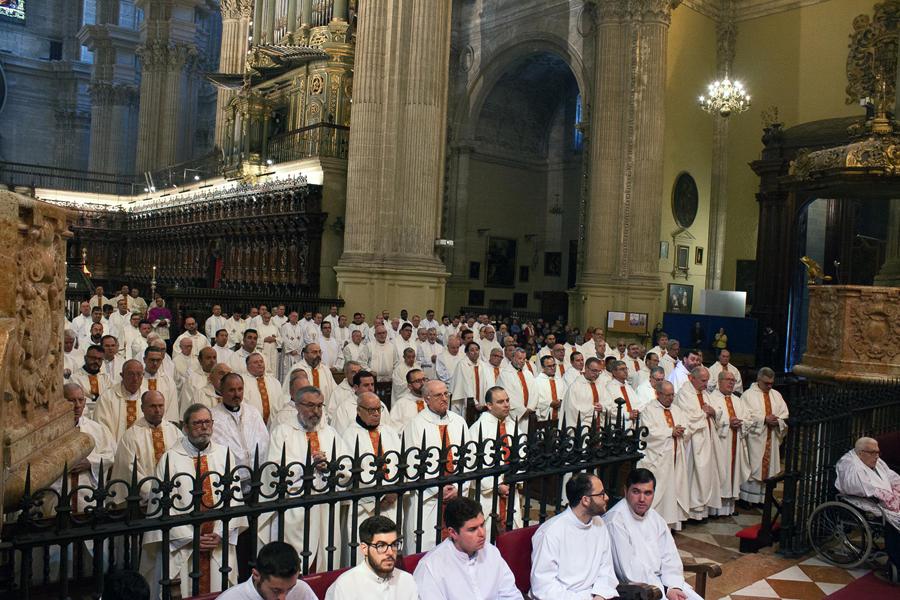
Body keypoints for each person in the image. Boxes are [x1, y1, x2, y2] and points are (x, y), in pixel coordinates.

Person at [141, 404, 247, 599]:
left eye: (207, 422)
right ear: (186, 427)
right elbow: (162, 510)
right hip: (184, 546)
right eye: (197, 423)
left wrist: (220, 534)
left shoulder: (225, 454)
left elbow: (234, 501)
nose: (203, 427)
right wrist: (193, 538)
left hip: (217, 544)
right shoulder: (169, 460)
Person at [262, 386, 349, 571]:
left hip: (325, 507)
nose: (316, 411)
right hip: (294, 508)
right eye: (310, 405)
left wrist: (330, 467)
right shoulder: (282, 433)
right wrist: (308, 465)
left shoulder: (330, 433)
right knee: (294, 564)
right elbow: (273, 471)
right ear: (297, 405)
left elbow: (347, 469)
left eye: (319, 406)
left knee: (326, 558)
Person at [604, 468, 703, 600]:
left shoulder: (654, 517)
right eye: (636, 492)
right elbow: (629, 573)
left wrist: (673, 587)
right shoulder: (615, 520)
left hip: (664, 584)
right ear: (625, 490)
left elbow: (670, 556)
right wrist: (664, 589)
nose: (642, 499)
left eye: (648, 493)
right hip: (639, 591)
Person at [401, 380, 470, 552]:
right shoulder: (416, 425)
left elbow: (469, 457)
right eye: (439, 395)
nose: (444, 398)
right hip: (427, 499)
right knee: (426, 545)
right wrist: (437, 490)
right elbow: (412, 464)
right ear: (427, 398)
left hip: (456, 494)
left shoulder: (459, 422)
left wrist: (459, 487)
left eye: (446, 394)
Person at [529, 472, 619, 599]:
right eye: (601, 494)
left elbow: (606, 570)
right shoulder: (551, 532)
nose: (607, 497)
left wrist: (600, 596)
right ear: (585, 500)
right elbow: (544, 587)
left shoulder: (599, 523)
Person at [413, 497, 521, 599]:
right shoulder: (431, 567)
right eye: (472, 529)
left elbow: (511, 595)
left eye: (482, 525)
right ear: (453, 532)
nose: (482, 533)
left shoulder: (491, 552)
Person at [835, 437, 900, 581]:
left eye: (878, 452)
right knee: (895, 523)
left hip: (885, 499)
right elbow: (860, 487)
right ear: (860, 453)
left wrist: (896, 489)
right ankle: (896, 563)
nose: (876, 456)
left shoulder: (875, 461)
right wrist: (887, 496)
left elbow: (891, 475)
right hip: (865, 502)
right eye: (872, 452)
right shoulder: (850, 465)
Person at [110, 390, 181, 505]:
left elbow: (182, 461)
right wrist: (152, 492)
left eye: (160, 406)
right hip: (144, 500)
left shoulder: (175, 432)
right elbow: (129, 469)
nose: (157, 410)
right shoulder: (131, 436)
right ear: (142, 408)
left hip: (174, 495)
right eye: (152, 406)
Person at [468, 386, 522, 534]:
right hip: (488, 493)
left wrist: (515, 479)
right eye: (500, 402)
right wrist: (497, 485)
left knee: (512, 531)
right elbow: (474, 462)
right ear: (489, 405)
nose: (506, 405)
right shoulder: (478, 428)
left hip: (511, 488)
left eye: (507, 400)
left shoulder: (512, 425)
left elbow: (522, 456)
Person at [674, 366, 725, 520]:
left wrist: (714, 412)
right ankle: (691, 511)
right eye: (703, 380)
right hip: (693, 442)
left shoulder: (705, 394)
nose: (706, 383)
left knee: (707, 474)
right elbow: (687, 416)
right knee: (693, 475)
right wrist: (706, 412)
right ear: (692, 378)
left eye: (707, 380)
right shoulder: (684, 394)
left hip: (708, 439)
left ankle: (703, 511)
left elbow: (716, 410)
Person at [638, 381, 690, 529]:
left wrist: (682, 431)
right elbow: (647, 432)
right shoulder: (649, 410)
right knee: (662, 490)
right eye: (667, 395)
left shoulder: (677, 410)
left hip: (676, 456)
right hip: (659, 458)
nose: (671, 398)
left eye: (672, 394)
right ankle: (655, 524)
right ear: (658, 393)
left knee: (675, 488)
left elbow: (687, 428)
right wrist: (670, 432)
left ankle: (672, 524)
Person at [325, 515, 418, 599]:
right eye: (381, 546)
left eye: (394, 544)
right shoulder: (345, 586)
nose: (390, 552)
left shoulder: (406, 580)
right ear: (364, 548)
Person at [210, 372, 270, 487]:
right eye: (231, 390)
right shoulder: (213, 416)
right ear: (222, 391)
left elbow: (264, 441)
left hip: (257, 478)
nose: (237, 394)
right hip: (231, 481)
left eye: (240, 389)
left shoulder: (253, 412)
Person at [740, 367, 789, 504]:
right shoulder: (748, 395)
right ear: (758, 380)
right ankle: (746, 499)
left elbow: (784, 414)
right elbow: (745, 416)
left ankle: (763, 500)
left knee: (768, 471)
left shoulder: (776, 395)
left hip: (771, 437)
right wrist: (763, 419)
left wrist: (778, 421)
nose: (769, 386)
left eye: (771, 383)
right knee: (752, 467)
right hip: (754, 440)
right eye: (766, 383)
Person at [708, 369, 751, 516]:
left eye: (733, 381)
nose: (731, 383)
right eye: (728, 380)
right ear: (719, 381)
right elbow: (710, 421)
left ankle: (729, 508)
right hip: (721, 443)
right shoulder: (711, 398)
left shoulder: (738, 400)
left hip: (735, 442)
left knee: (733, 473)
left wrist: (741, 423)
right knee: (720, 472)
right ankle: (715, 510)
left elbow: (748, 419)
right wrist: (727, 423)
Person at [217, 541, 317, 599]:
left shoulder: (301, 589)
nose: (283, 598)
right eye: (276, 590)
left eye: (290, 588)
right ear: (256, 575)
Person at [94, 359, 145, 442]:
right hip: (114, 450)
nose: (135, 378)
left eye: (139, 374)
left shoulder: (148, 397)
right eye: (131, 374)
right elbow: (102, 428)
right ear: (122, 375)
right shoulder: (107, 397)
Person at [242, 351, 289, 427]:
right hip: (251, 425)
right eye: (255, 362)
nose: (260, 364)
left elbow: (281, 404)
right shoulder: (242, 382)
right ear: (248, 366)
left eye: (261, 361)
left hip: (273, 425)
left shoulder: (275, 382)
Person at [561, 357, 609, 430]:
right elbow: (572, 409)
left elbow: (609, 402)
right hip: (583, 426)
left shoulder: (600, 385)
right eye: (594, 371)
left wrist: (602, 407)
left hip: (600, 424)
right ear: (586, 368)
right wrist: (592, 408)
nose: (597, 374)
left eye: (599, 371)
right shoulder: (575, 387)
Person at [497, 348, 538, 433]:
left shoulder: (528, 373)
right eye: (520, 358)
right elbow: (508, 395)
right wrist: (522, 410)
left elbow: (535, 392)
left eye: (524, 359)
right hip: (514, 415)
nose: (522, 361)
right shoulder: (505, 374)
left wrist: (530, 408)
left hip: (529, 413)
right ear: (512, 358)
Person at [534, 355, 566, 421]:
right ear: (542, 367)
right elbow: (534, 401)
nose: (552, 368)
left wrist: (561, 401)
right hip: (544, 418)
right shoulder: (536, 381)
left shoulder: (560, 380)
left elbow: (565, 395)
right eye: (549, 366)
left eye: (554, 365)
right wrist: (549, 403)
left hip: (560, 416)